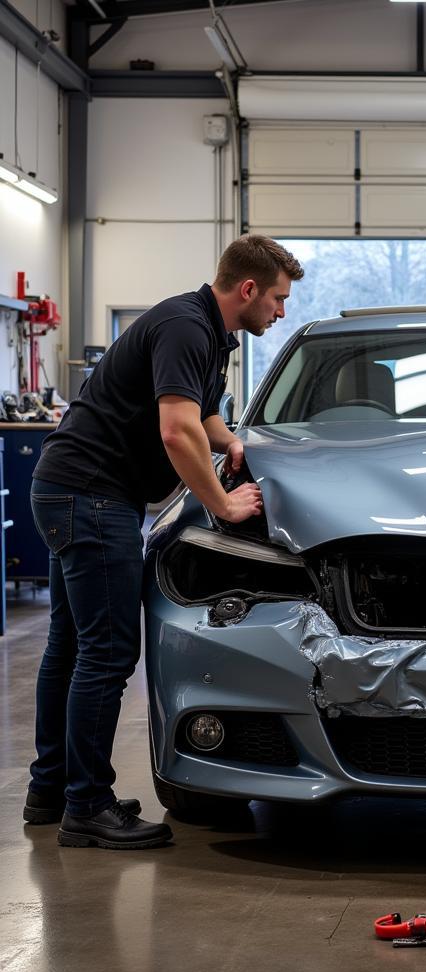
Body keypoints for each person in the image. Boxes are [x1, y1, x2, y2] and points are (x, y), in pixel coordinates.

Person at [24, 235, 304, 850]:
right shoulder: (186, 327)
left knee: (70, 647)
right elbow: (176, 433)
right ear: (248, 290)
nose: (281, 314)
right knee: (107, 652)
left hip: (68, 488)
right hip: (93, 497)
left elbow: (199, 415)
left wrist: (233, 441)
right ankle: (88, 808)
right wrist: (223, 503)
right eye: (279, 301)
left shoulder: (206, 330)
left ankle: (51, 790)